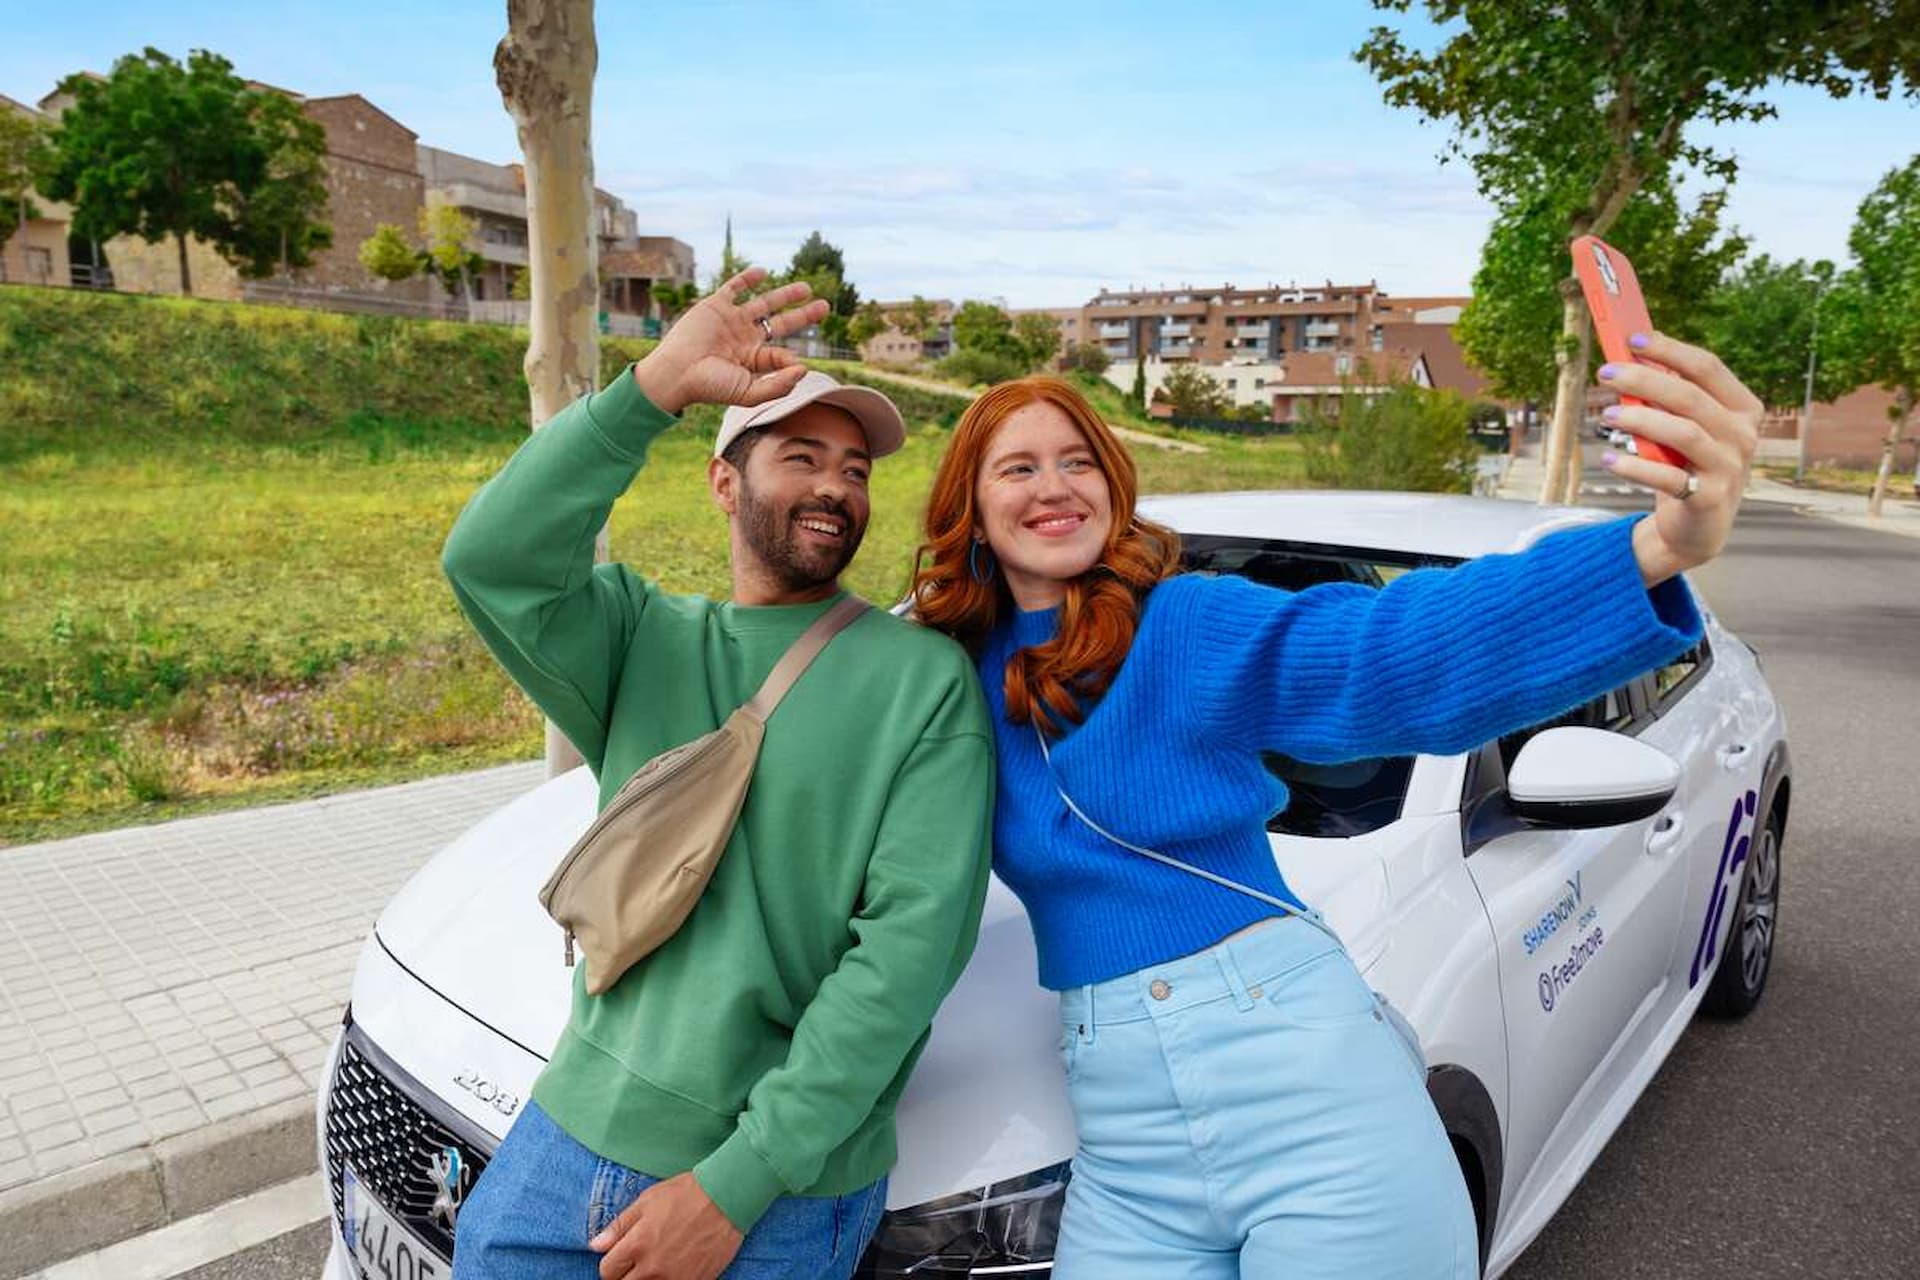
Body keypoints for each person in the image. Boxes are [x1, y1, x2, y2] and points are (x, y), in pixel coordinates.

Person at [910, 333, 1762, 1279]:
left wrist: (1653, 548)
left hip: (1300, 1078)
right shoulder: (944, 679)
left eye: (1079, 462)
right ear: (973, 512)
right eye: (1018, 467)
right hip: (1125, 1141)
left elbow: (1389, 649)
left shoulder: (1184, 626)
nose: (1054, 485)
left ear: (1112, 489)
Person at [443, 269, 995, 1280]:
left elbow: (905, 955)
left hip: (775, 1193)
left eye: (856, 469)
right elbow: (490, 558)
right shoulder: (639, 635)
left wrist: (738, 1181)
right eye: (801, 455)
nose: (837, 484)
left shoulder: (920, 678)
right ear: (724, 481)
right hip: (568, 1135)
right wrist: (649, 387)